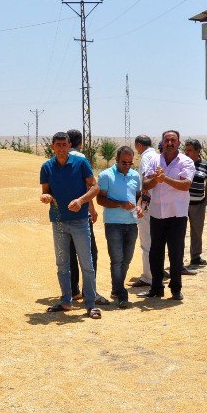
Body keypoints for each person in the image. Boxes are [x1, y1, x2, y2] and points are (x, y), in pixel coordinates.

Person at [39, 131, 102, 317]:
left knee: (86, 262)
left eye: (64, 144)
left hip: (80, 220)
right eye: (57, 145)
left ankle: (90, 303)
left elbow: (95, 186)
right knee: (62, 263)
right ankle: (66, 300)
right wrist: (46, 197)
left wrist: (81, 201)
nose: (61, 148)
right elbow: (45, 191)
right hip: (58, 220)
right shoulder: (47, 167)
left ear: (69, 146)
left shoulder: (81, 163)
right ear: (52, 147)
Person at [142, 130, 195, 300]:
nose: (170, 143)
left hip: (177, 214)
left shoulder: (186, 161)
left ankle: (176, 288)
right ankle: (156, 287)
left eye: (173, 140)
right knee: (155, 252)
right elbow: (145, 184)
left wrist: (164, 179)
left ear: (179, 143)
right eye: (167, 140)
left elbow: (186, 185)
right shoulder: (154, 160)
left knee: (176, 252)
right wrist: (154, 181)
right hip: (157, 213)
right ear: (162, 142)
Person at [96, 145, 142, 308]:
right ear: (116, 160)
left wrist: (139, 207)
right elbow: (100, 200)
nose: (127, 166)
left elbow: (138, 197)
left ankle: (116, 288)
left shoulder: (135, 176)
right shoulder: (105, 175)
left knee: (127, 259)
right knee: (117, 260)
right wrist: (120, 204)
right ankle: (121, 292)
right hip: (113, 223)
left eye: (130, 163)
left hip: (131, 224)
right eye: (124, 162)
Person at [66, 129, 106, 305]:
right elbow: (88, 186)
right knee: (90, 252)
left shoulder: (59, 159)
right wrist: (92, 208)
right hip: (80, 211)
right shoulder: (81, 159)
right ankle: (89, 290)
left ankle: (73, 290)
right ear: (80, 142)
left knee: (70, 252)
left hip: (64, 213)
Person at [131, 135, 159, 288]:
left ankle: (148, 276)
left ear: (139, 146)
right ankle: (158, 270)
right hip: (161, 206)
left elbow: (145, 184)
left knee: (146, 242)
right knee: (158, 240)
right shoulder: (158, 156)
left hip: (149, 205)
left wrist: (143, 206)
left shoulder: (145, 158)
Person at [184, 138, 207, 268]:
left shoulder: (206, 165)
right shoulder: (182, 163)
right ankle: (178, 259)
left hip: (198, 204)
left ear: (197, 151)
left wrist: (206, 198)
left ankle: (195, 257)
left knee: (197, 231)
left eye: (190, 150)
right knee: (179, 232)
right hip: (182, 204)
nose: (187, 153)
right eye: (186, 150)